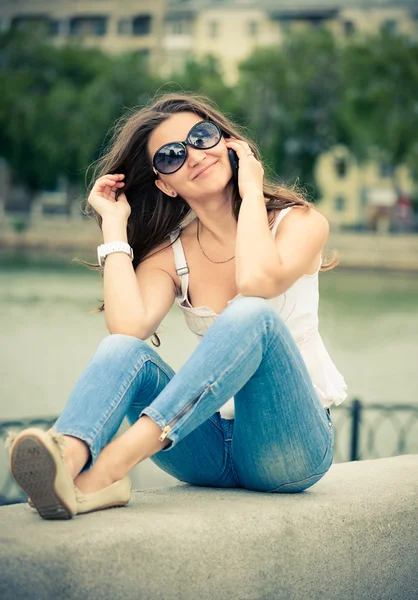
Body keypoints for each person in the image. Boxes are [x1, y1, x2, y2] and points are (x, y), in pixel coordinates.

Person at [6, 91, 347, 520]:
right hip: (205, 452)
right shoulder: (172, 255)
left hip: (289, 448)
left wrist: (251, 189)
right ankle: (71, 457)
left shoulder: (300, 222)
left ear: (228, 143)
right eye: (171, 156)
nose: (194, 155)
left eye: (202, 136)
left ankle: (110, 467)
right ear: (165, 183)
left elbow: (256, 281)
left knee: (249, 313)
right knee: (121, 350)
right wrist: (114, 225)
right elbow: (127, 330)